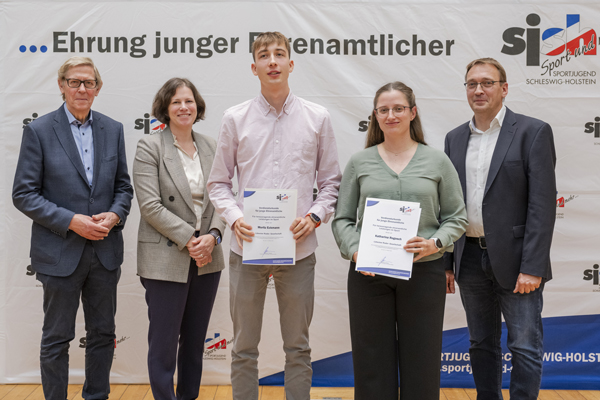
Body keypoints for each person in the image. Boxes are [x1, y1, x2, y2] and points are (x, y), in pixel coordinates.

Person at [207, 31, 341, 400]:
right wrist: (235, 218)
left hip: (298, 251)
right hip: (246, 247)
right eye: (264, 56)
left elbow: (331, 183)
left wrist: (314, 217)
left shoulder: (318, 117)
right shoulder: (235, 118)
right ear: (254, 67)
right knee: (243, 348)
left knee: (298, 348)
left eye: (280, 54)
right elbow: (218, 183)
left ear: (291, 64)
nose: (272, 61)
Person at [332, 81, 467, 400]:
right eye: (383, 110)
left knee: (422, 361)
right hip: (369, 275)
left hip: (424, 273)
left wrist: (435, 243)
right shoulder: (360, 162)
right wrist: (355, 251)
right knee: (371, 362)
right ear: (375, 116)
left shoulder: (436, 161)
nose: (391, 115)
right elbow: (342, 219)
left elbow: (456, 217)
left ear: (412, 112)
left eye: (398, 108)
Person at [12, 56, 133, 400]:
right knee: (56, 338)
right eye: (75, 82)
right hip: (59, 253)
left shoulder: (113, 129)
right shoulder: (39, 130)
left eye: (89, 82)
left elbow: (123, 187)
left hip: (104, 254)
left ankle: (97, 396)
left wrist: (115, 215)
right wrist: (70, 221)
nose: (82, 88)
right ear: (62, 85)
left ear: (97, 89)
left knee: (102, 334)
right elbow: (23, 194)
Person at [444, 58, 556, 400]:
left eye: (487, 83)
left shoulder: (532, 132)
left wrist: (533, 267)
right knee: (481, 343)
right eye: (472, 84)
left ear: (504, 89)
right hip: (469, 259)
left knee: (523, 345)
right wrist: (447, 262)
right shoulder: (454, 139)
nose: (479, 90)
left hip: (518, 262)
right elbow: (450, 206)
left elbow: (542, 205)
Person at [132, 78, 225, 400]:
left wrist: (212, 236)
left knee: (196, 339)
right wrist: (192, 239)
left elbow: (222, 198)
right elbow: (149, 206)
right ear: (165, 109)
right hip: (166, 256)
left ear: (197, 106)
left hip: (208, 255)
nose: (183, 107)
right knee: (164, 341)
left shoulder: (213, 146)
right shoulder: (149, 146)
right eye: (176, 102)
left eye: (188, 101)